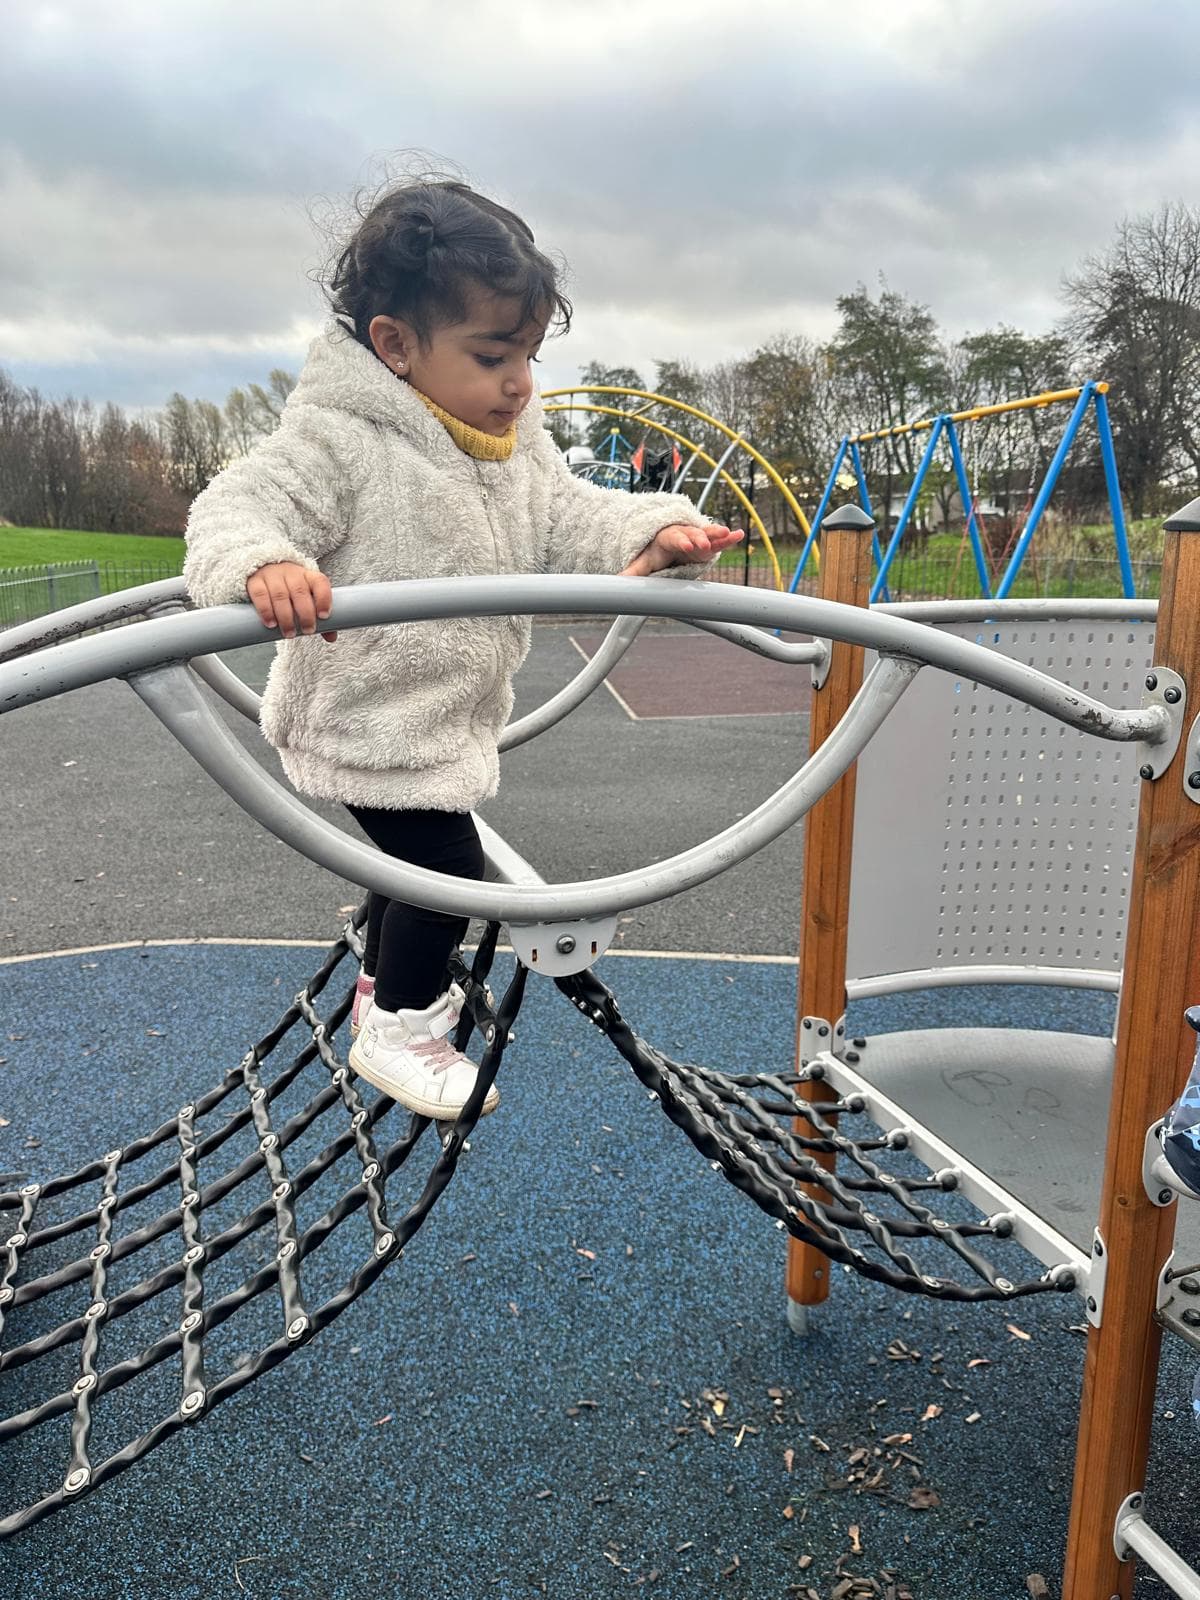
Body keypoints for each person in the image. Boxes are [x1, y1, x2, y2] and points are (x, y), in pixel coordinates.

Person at [184, 176, 742, 1121]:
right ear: (396, 345)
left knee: (418, 870)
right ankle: (398, 1026)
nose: (520, 382)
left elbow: (569, 517)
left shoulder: (512, 444)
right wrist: (264, 563)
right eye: (492, 356)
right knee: (447, 871)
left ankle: (382, 976)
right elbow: (238, 506)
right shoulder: (341, 439)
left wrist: (650, 532)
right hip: (369, 718)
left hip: (443, 719)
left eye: (527, 354)